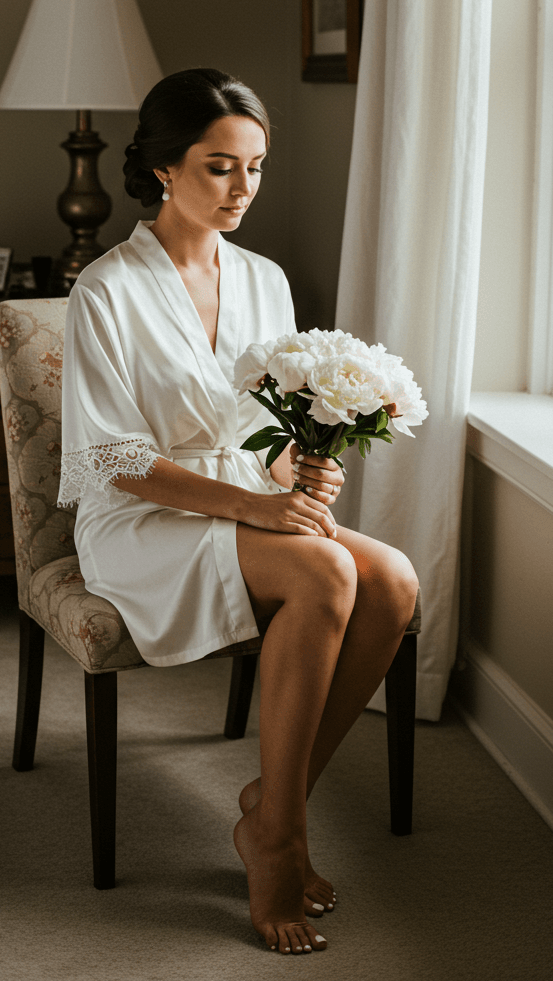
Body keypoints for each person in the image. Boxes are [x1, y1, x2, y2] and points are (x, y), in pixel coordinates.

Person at [58, 68, 419, 956]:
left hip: (248, 502)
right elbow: (115, 459)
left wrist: (306, 470)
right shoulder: (103, 290)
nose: (243, 189)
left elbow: (266, 428)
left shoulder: (265, 279)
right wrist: (256, 511)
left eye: (255, 168)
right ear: (163, 168)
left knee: (396, 581)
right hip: (140, 518)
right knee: (328, 567)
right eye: (221, 167)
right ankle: (283, 842)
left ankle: (270, 807)